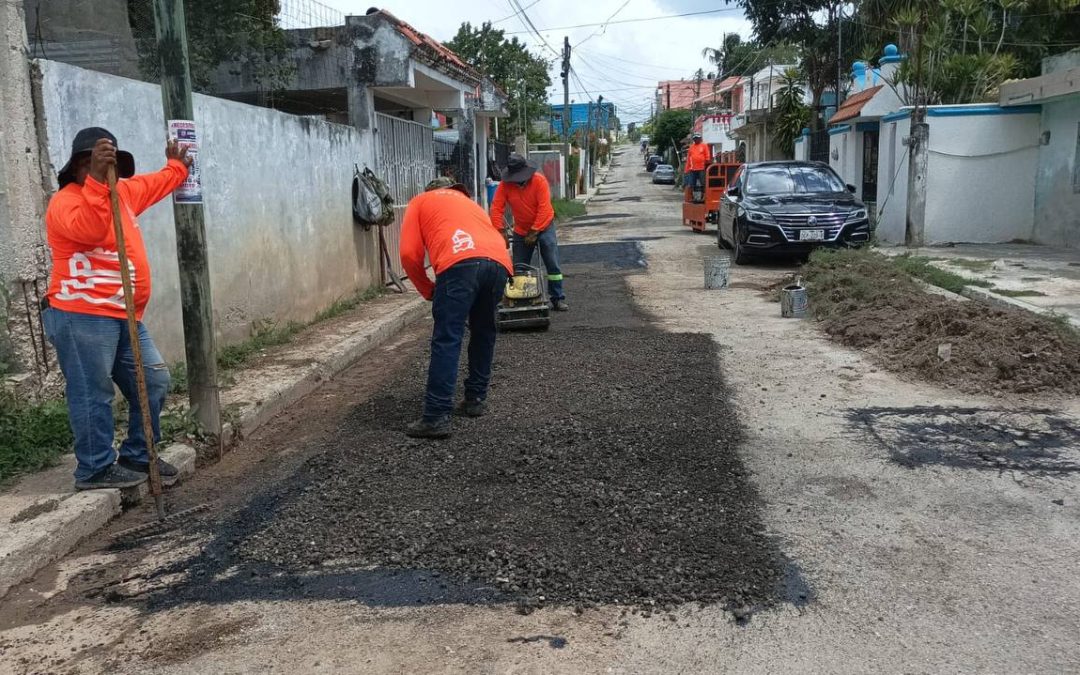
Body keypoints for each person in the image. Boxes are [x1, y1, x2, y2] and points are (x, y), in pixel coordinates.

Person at [42, 127, 192, 490]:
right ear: (80, 165)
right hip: (81, 313)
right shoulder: (66, 201)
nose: (107, 171)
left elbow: (154, 184)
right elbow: (92, 231)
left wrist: (177, 168)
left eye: (109, 165)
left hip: (125, 314)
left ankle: (139, 454)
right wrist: (96, 181)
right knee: (93, 390)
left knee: (154, 380)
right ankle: (94, 468)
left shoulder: (121, 192)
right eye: (95, 164)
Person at [399, 177, 513, 439]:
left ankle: (437, 416)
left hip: (459, 264)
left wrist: (427, 289)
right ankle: (475, 399)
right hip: (498, 262)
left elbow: (408, 254)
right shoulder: (469, 203)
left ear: (430, 191)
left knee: (448, 338)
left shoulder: (420, 201)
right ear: (453, 189)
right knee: (484, 332)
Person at [490, 153, 568, 311]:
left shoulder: (539, 181)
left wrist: (534, 232)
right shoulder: (505, 186)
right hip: (521, 229)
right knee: (519, 267)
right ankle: (520, 298)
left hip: (544, 226)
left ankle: (557, 297)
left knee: (552, 264)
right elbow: (496, 208)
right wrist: (500, 231)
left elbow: (544, 209)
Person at [685, 132, 711, 203]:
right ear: (693, 139)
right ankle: (693, 197)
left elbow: (707, 155)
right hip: (692, 169)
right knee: (691, 184)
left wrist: (707, 162)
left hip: (702, 168)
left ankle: (704, 196)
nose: (696, 139)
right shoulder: (691, 147)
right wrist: (686, 169)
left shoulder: (704, 146)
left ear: (700, 138)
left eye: (698, 138)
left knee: (703, 183)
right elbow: (688, 159)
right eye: (695, 138)